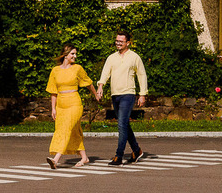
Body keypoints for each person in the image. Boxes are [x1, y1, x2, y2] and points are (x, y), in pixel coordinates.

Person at [96, 31, 147, 165]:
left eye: (121, 41)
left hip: (128, 94)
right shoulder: (111, 58)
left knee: (121, 124)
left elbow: (142, 75)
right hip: (115, 94)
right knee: (124, 124)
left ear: (128, 43)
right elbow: (105, 73)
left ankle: (119, 156)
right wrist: (100, 86)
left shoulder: (134, 57)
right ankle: (136, 150)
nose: (118, 43)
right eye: (116, 41)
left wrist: (142, 94)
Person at [45, 43, 99, 168]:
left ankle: (55, 159)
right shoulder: (55, 70)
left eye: (75, 54)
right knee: (72, 131)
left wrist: (96, 94)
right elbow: (53, 91)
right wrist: (53, 108)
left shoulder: (77, 68)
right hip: (61, 105)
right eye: (72, 54)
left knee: (66, 129)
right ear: (65, 55)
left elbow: (88, 83)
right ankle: (84, 158)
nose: (75, 56)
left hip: (74, 104)